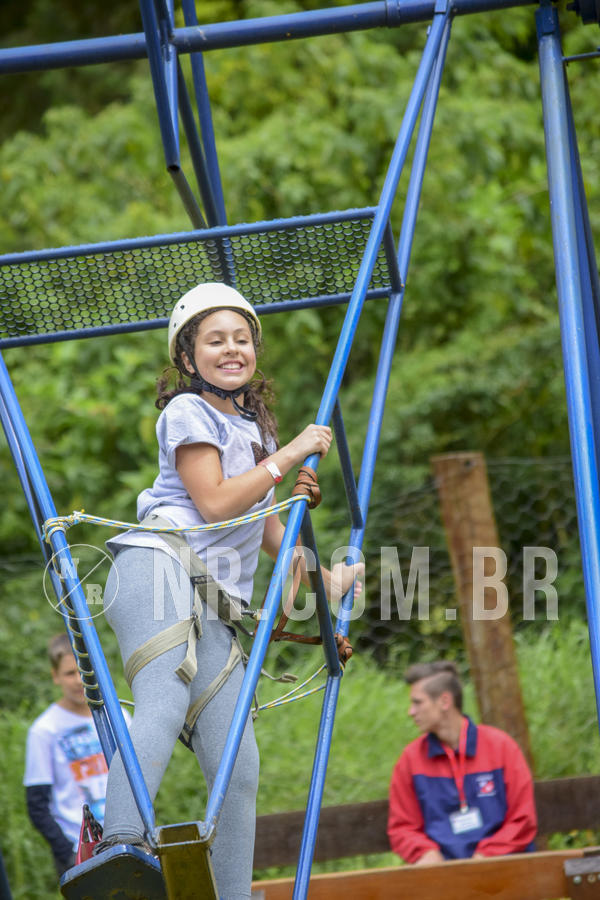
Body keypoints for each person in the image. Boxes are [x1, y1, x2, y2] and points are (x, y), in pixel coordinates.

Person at [98, 282, 364, 900]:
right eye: (215, 340)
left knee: (239, 766)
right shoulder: (187, 413)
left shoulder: (253, 433)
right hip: (159, 567)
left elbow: (264, 527)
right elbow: (215, 501)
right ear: (189, 359)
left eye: (242, 339)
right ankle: (119, 843)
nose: (232, 349)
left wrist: (323, 578)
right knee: (162, 697)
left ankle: (234, 893)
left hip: (213, 609)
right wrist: (290, 455)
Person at [387, 660, 537, 865]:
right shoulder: (410, 760)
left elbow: (522, 820)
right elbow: (403, 828)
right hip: (442, 877)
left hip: (502, 868)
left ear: (444, 702)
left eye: (417, 702)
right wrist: (426, 854)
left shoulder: (501, 748)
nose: (410, 712)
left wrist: (485, 858)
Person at [24, 633, 110, 876]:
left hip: (124, 841)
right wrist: (68, 853)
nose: (79, 680)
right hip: (79, 851)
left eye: (83, 670)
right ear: (55, 676)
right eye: (70, 673)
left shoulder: (118, 717)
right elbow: (37, 805)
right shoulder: (44, 730)